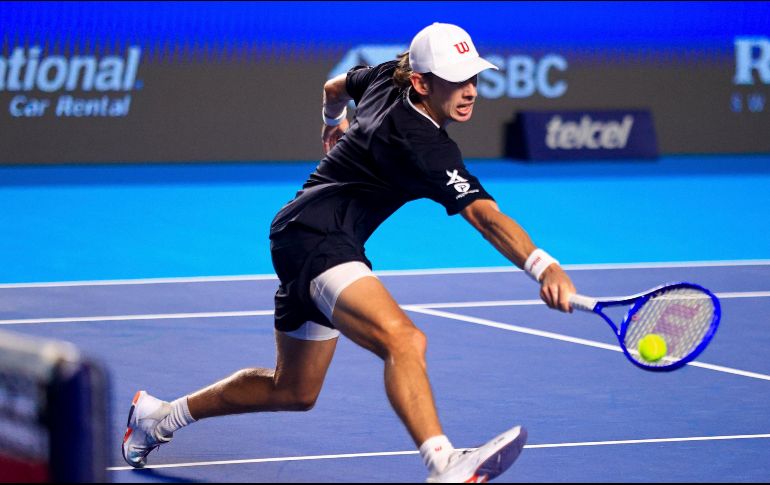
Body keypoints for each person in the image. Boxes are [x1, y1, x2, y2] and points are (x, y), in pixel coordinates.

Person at [122, 22, 577, 482]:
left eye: (474, 78)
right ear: (422, 82)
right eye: (457, 80)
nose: (471, 91)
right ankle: (444, 465)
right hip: (317, 237)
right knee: (404, 340)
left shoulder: (385, 78)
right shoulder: (425, 146)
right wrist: (544, 266)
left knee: (294, 390)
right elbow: (485, 217)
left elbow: (334, 85)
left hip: (301, 231)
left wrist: (331, 122)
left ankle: (158, 417)